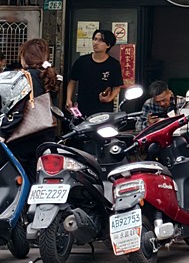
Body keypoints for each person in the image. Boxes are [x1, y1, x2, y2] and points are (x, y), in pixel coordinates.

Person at [8, 39, 60, 174]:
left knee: (18, 176)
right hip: (46, 136)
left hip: (24, 137)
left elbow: (17, 109)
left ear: (25, 57)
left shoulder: (24, 77)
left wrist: (3, 132)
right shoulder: (49, 76)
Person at [66, 29, 123, 117]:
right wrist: (68, 99)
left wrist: (109, 98)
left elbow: (117, 87)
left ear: (108, 45)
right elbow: (72, 82)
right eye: (95, 39)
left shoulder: (113, 64)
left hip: (103, 109)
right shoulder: (82, 61)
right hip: (83, 107)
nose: (95, 43)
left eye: (100, 40)